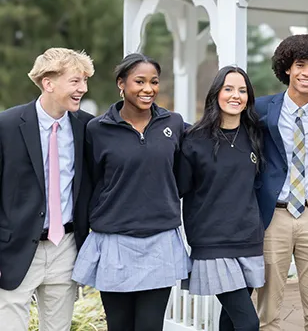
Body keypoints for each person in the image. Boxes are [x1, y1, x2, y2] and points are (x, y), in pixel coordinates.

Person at [72, 54, 188, 331]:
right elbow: (91, 182)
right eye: (139, 81)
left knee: (150, 326)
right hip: (114, 243)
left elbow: (183, 174)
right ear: (121, 84)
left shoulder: (174, 123)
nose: (148, 89)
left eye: (154, 82)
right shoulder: (96, 129)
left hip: (159, 241)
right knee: (119, 326)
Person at [0, 48, 95, 331]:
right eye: (75, 81)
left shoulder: (87, 127)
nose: (83, 88)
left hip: (64, 247)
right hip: (13, 248)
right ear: (48, 83)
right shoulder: (5, 125)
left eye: (85, 81)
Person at [254, 34, 308, 331]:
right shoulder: (263, 109)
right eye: (300, 64)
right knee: (268, 306)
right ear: (287, 68)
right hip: (273, 214)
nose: (307, 73)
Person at [178, 66, 264, 331]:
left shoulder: (255, 137)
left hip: (248, 239)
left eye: (242, 90)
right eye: (228, 89)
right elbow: (179, 188)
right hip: (213, 243)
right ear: (216, 93)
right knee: (248, 323)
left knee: (230, 320)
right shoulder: (194, 140)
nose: (235, 95)